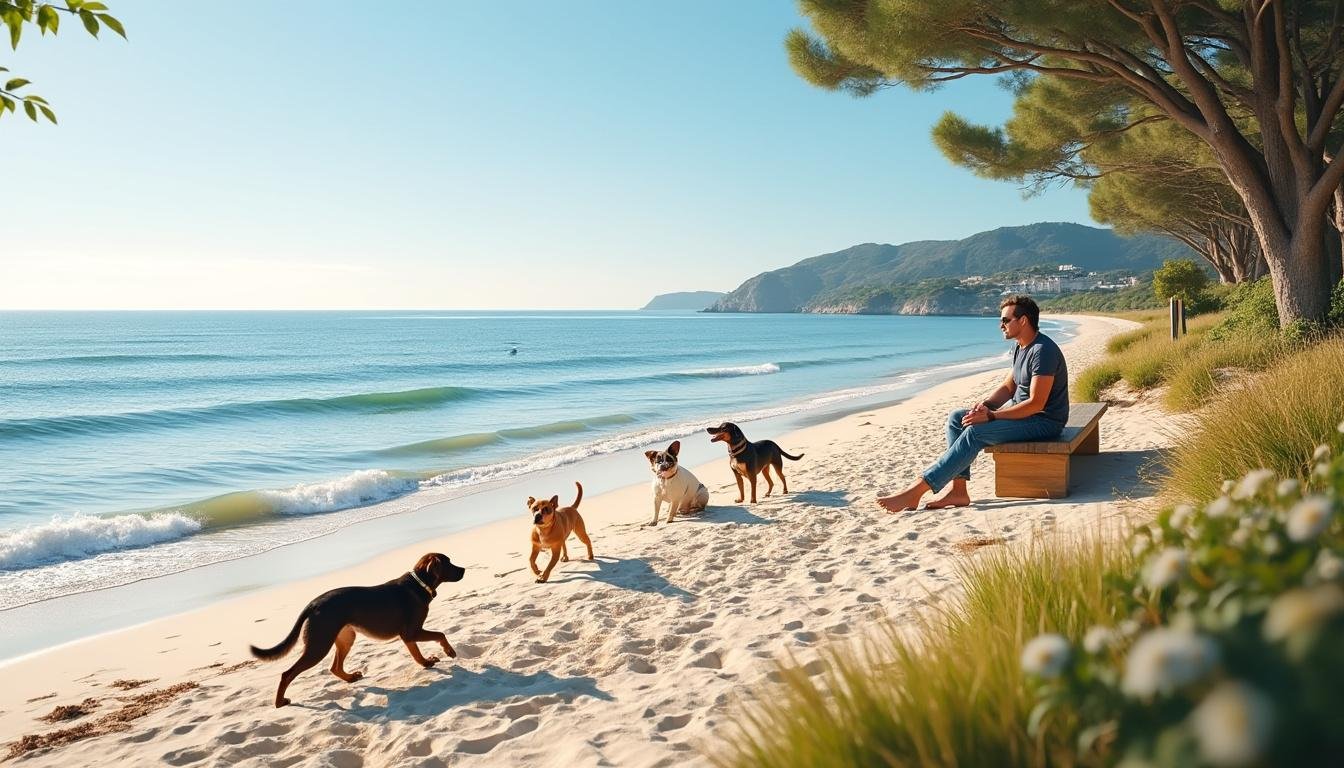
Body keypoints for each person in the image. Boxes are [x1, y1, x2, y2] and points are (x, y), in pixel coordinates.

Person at [876, 295, 1069, 513]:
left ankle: (916, 491)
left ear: (1023, 321)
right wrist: (985, 406)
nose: (1000, 325)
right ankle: (959, 491)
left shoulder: (1043, 351)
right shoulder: (1021, 347)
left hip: (1044, 421)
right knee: (958, 418)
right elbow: (1008, 387)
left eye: (1005, 320)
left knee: (975, 433)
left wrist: (992, 417)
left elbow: (1036, 403)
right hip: (1024, 417)